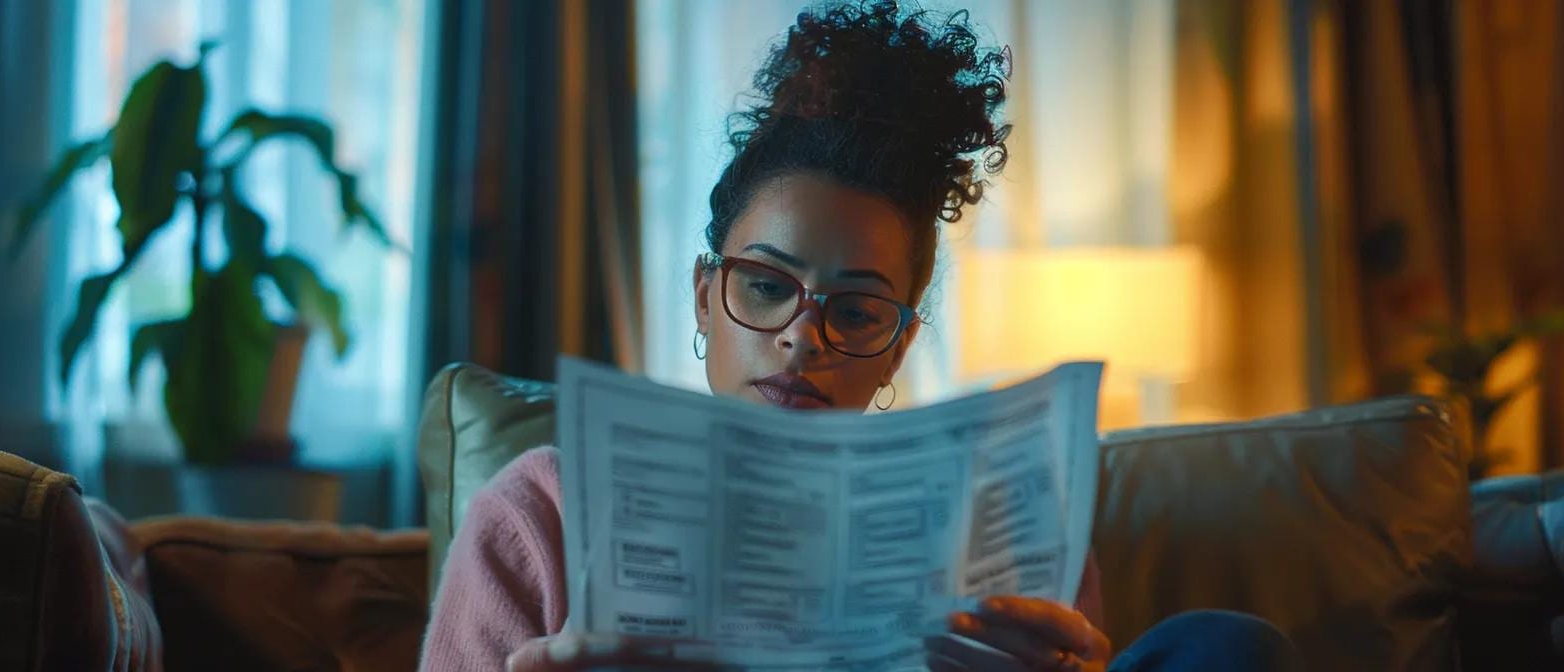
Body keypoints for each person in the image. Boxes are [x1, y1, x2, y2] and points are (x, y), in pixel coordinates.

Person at [420, 2, 1301, 671]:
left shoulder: (1001, 525)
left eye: (857, 309)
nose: (804, 339)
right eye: (766, 286)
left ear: (901, 345)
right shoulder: (538, 512)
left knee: (1221, 645)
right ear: (702, 295)